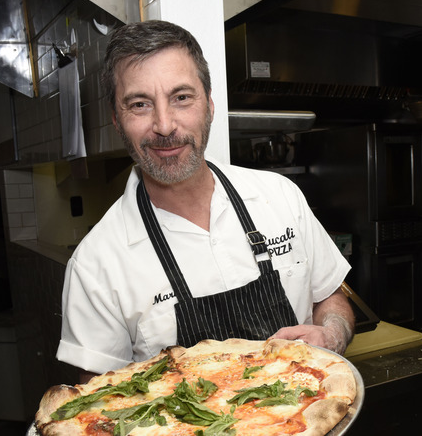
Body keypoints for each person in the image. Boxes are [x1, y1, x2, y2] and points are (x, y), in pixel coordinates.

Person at [57, 20, 355, 381]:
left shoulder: (280, 196)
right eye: (140, 104)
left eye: (182, 98)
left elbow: (330, 294)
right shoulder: (95, 265)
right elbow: (98, 408)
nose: (165, 126)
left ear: (210, 105)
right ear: (117, 120)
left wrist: (332, 334)